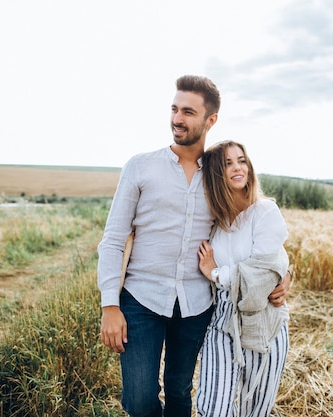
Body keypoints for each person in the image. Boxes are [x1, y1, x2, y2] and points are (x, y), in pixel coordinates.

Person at [97, 76, 290, 417]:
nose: (177, 119)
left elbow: (252, 226)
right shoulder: (140, 167)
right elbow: (113, 240)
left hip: (196, 304)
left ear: (210, 120)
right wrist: (109, 306)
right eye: (174, 109)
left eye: (188, 111)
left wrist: (282, 273)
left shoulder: (218, 176)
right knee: (140, 398)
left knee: (179, 391)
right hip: (142, 298)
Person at [195, 140, 291, 417]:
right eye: (228, 163)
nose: (238, 167)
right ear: (215, 174)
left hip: (264, 324)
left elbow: (261, 276)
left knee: (254, 411)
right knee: (214, 410)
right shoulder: (216, 221)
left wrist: (215, 272)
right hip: (222, 321)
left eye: (241, 160)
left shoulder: (265, 212)